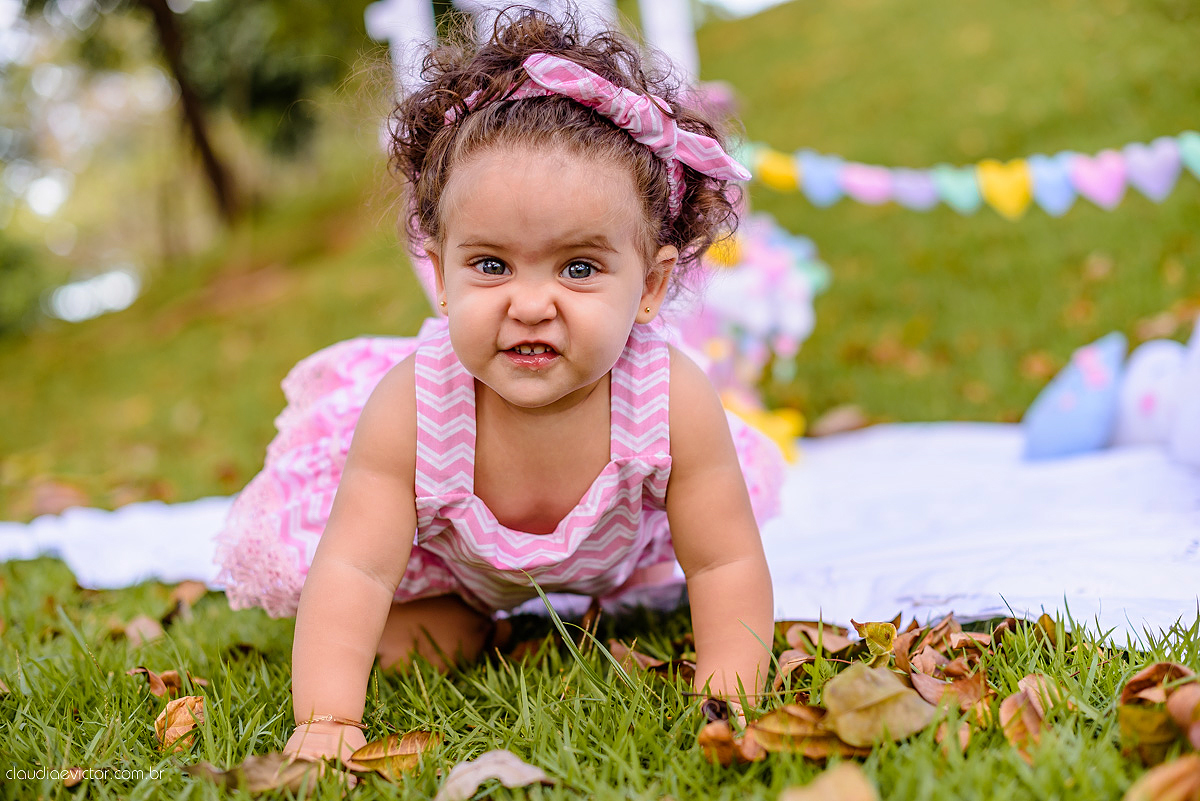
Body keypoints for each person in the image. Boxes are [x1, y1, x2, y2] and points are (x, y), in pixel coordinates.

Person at [213, 6, 782, 766]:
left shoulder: (668, 399)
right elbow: (354, 564)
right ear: (439, 268)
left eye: (579, 267)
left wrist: (727, 697)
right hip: (457, 569)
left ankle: (578, 608)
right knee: (399, 651)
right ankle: (484, 618)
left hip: (614, 556)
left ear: (650, 286)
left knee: (667, 603)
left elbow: (723, 562)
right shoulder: (413, 407)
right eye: (491, 265)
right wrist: (327, 720)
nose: (530, 302)